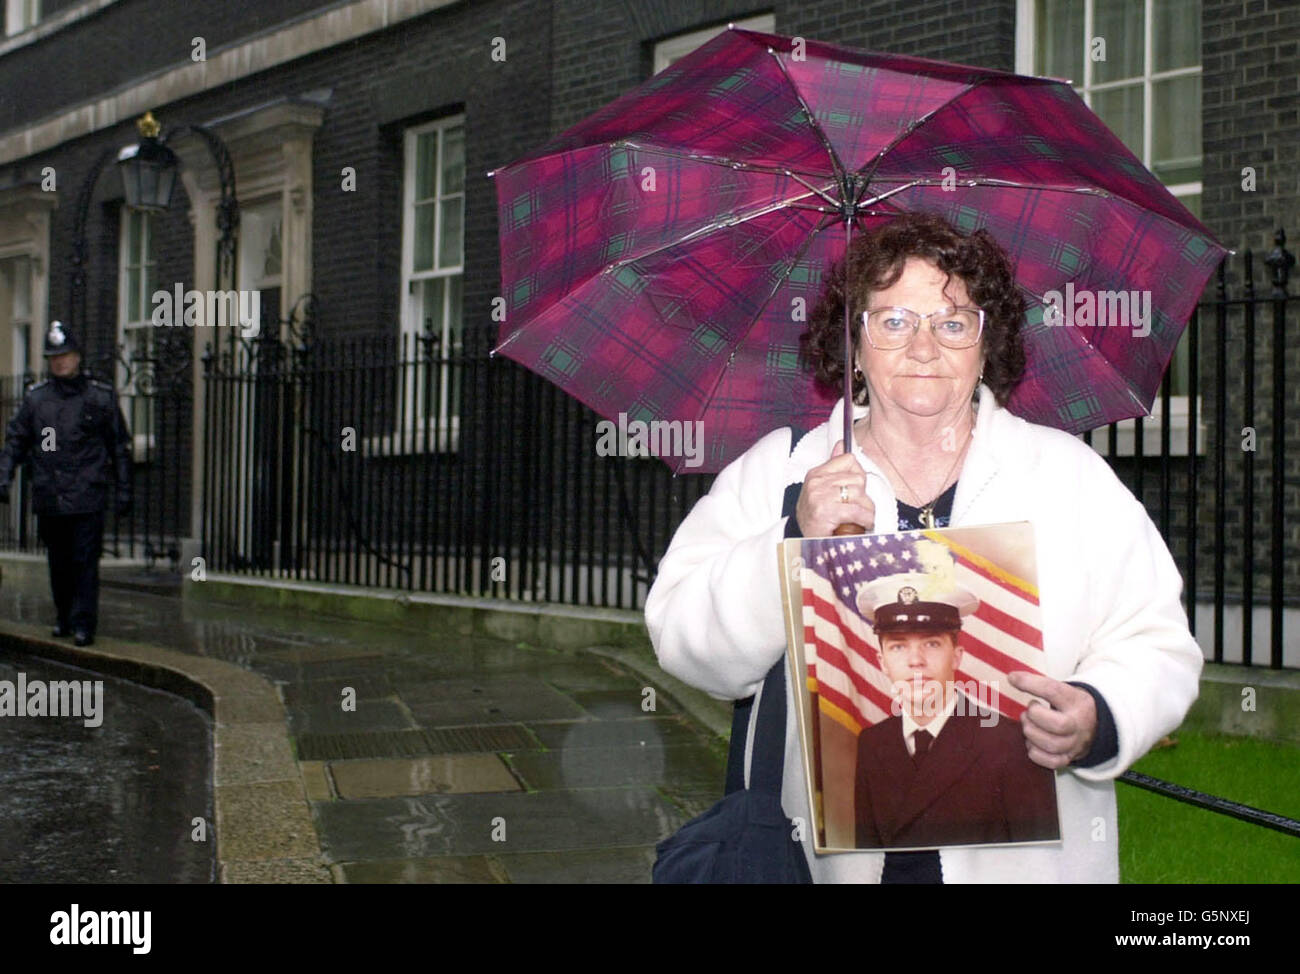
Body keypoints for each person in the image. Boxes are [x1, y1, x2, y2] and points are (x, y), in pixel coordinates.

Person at [645, 211, 1202, 883]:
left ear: (984, 342)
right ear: (852, 341)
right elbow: (680, 638)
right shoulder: (783, 471)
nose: (924, 348)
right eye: (894, 321)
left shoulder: (1067, 476)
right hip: (830, 862)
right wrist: (790, 538)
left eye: (952, 322)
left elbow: (1157, 638)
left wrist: (1099, 715)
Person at [853, 572, 1059, 850]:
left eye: (932, 644)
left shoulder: (1009, 742)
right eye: (898, 646)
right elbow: (868, 855)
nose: (916, 661)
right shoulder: (872, 743)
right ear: (882, 662)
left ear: (957, 656)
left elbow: (1036, 858)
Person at [0, 321, 132, 646]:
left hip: (87, 492)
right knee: (58, 561)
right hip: (50, 493)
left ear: (77, 357)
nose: (60, 362)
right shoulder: (37, 400)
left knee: (84, 561)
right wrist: (4, 475)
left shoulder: (99, 397)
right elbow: (16, 440)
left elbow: (118, 446)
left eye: (65, 355)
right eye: (54, 357)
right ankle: (63, 616)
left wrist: (124, 488)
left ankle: (84, 622)